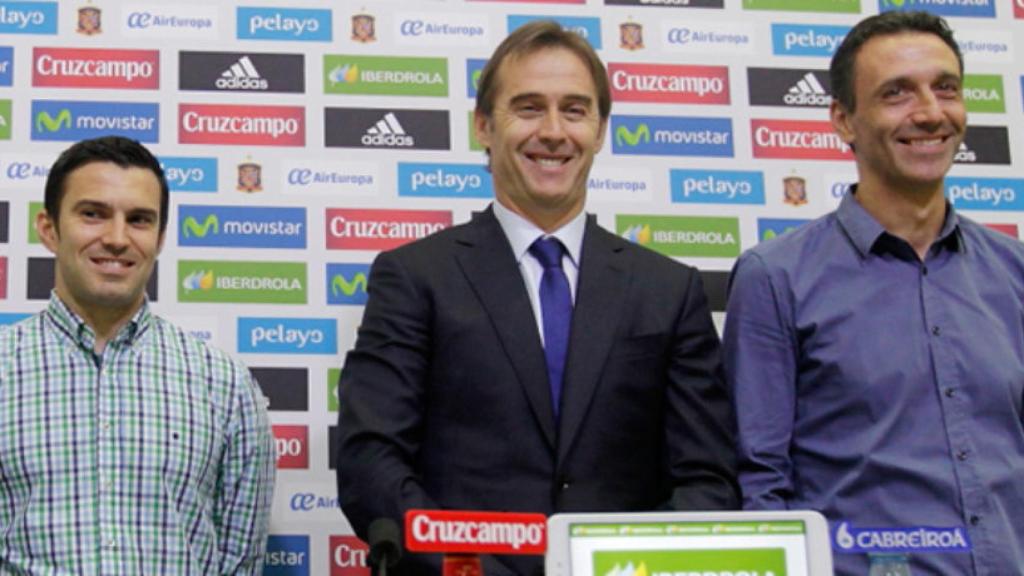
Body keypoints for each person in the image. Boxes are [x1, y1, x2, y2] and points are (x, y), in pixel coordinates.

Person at [336, 20, 739, 575]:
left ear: (600, 130)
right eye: (528, 108)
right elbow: (371, 462)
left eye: (575, 110)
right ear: (483, 126)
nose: (553, 131)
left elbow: (708, 479)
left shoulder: (668, 290)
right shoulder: (414, 276)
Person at [723, 11, 1024, 575]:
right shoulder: (777, 277)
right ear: (843, 119)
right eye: (897, 93)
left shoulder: (1014, 272)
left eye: (945, 88)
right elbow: (760, 486)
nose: (930, 112)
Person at [0, 136, 276, 574]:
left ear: (160, 238)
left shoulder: (224, 383)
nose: (116, 238)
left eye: (139, 220)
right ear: (49, 229)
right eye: (93, 214)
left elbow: (240, 562)